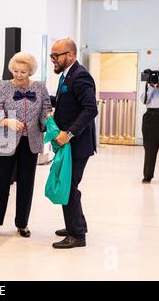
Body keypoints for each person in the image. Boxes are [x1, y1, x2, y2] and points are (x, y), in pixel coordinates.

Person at [0, 52, 52, 238]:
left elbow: (45, 109)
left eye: (23, 72)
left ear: (30, 71)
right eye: (16, 71)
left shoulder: (40, 87)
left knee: (26, 183)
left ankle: (22, 223)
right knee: (0, 181)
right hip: (6, 140)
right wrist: (7, 122)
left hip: (31, 141)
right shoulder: (4, 86)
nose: (19, 75)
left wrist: (48, 119)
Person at [49, 38, 98, 249]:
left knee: (68, 187)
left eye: (56, 55)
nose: (53, 59)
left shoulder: (80, 76)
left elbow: (90, 109)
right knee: (70, 185)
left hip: (77, 143)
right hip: (70, 143)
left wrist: (68, 134)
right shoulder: (66, 76)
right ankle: (77, 225)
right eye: (52, 55)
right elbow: (65, 104)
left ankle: (77, 235)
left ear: (70, 55)